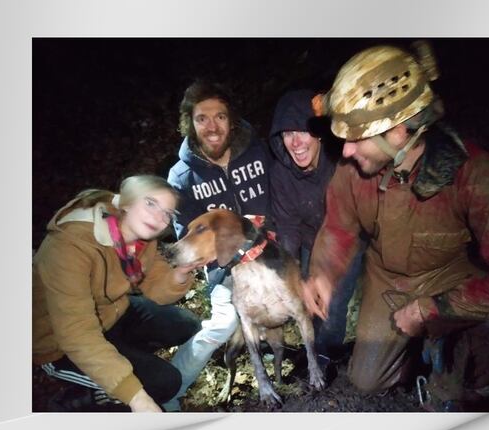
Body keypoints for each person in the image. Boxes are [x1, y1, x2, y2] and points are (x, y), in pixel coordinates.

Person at [302, 43, 489, 411]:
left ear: (398, 131)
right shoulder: (353, 172)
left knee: (481, 368)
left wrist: (435, 309)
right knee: (365, 382)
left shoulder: (472, 172)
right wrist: (324, 274)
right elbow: (337, 228)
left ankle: (459, 352)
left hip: (450, 277)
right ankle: (420, 355)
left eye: (356, 138)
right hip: (387, 279)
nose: (344, 151)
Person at [32, 174, 202, 412]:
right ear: (126, 202)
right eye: (151, 203)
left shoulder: (141, 236)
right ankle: (77, 402)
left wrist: (179, 274)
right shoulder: (69, 247)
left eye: (167, 213)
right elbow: (77, 334)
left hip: (110, 312)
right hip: (57, 342)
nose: (158, 217)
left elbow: (156, 286)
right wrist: (136, 397)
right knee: (164, 384)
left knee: (187, 325)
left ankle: (124, 357)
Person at [165, 80, 272, 410]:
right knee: (223, 325)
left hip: (272, 256)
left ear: (232, 119)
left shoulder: (259, 151)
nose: (212, 127)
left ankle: (321, 356)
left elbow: (282, 203)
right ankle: (169, 387)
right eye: (202, 118)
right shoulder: (182, 178)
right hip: (225, 271)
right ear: (191, 123)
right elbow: (190, 242)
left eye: (220, 117)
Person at [268, 89, 364, 368]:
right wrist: (293, 273)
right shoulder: (280, 173)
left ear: (319, 133)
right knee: (308, 297)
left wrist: (326, 274)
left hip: (348, 239)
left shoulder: (342, 161)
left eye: (302, 130)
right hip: (312, 239)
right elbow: (287, 227)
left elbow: (352, 222)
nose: (295, 142)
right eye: (287, 134)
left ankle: (327, 356)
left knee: (333, 305)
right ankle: (314, 350)